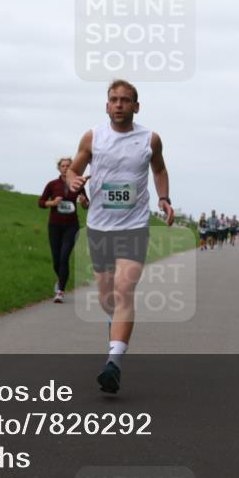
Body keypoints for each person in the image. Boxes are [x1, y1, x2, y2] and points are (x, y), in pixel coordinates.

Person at [67, 79, 173, 394]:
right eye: (113, 99)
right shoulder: (93, 137)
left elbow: (159, 170)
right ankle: (115, 331)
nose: (119, 105)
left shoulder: (150, 139)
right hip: (99, 225)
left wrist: (164, 199)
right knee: (107, 297)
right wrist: (74, 183)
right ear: (106, 105)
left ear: (135, 106)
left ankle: (113, 362)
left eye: (125, 100)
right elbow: (73, 170)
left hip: (134, 225)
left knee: (124, 290)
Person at [38, 157, 88, 303]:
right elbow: (40, 202)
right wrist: (52, 203)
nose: (66, 168)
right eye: (63, 166)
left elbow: (87, 205)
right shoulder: (52, 185)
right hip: (54, 226)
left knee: (64, 257)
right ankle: (61, 279)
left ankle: (60, 291)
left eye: (68, 166)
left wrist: (84, 202)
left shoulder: (78, 184)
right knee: (56, 260)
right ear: (59, 168)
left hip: (72, 226)